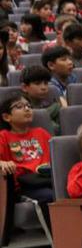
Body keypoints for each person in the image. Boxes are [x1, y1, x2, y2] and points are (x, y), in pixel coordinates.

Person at [0, 93, 55, 224]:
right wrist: (2, 162)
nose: (27, 109)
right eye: (19, 106)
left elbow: (57, 155)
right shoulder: (4, 136)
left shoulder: (41, 132)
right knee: (49, 195)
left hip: (48, 179)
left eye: (29, 106)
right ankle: (59, 237)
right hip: (24, 187)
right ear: (7, 117)